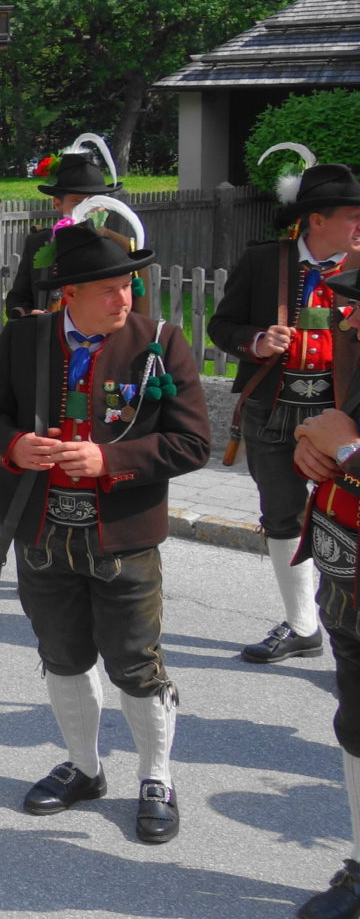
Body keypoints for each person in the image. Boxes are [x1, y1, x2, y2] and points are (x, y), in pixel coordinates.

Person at [0, 222, 208, 844]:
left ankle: (156, 778)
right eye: (108, 288)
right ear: (68, 292)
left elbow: (193, 443)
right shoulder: (25, 337)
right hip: (40, 528)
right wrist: (13, 446)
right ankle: (84, 767)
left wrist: (110, 460)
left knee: (135, 664)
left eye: (128, 284)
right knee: (62, 655)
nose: (125, 298)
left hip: (123, 534)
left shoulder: (162, 342)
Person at [210, 162, 360, 664]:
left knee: (350, 517)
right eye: (353, 216)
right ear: (317, 220)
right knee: (281, 515)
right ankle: (302, 625)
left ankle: (350, 630)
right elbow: (222, 325)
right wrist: (256, 341)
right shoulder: (263, 260)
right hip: (272, 409)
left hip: (341, 417)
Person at [288, 264, 360, 917]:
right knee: (356, 721)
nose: (350, 318)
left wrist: (350, 454)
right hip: (348, 578)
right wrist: (313, 448)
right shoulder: (356, 350)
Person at [4, 151, 153, 319]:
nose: (87, 208)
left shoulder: (125, 248)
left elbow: (141, 318)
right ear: (58, 204)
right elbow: (17, 301)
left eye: (94, 201)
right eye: (77, 202)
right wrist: (30, 314)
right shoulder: (39, 243)